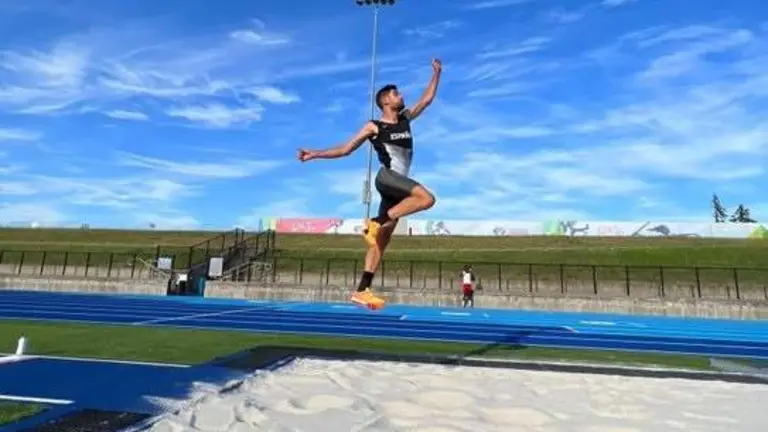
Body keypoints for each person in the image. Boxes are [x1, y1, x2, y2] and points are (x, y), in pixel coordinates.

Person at [297, 58, 443, 310]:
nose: (401, 96)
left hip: (398, 189)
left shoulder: (406, 119)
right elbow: (345, 149)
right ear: (386, 101)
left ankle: (362, 290)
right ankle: (374, 223)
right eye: (397, 94)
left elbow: (426, 100)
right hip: (387, 178)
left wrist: (436, 74)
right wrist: (315, 154)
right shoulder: (373, 126)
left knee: (381, 241)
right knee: (427, 199)